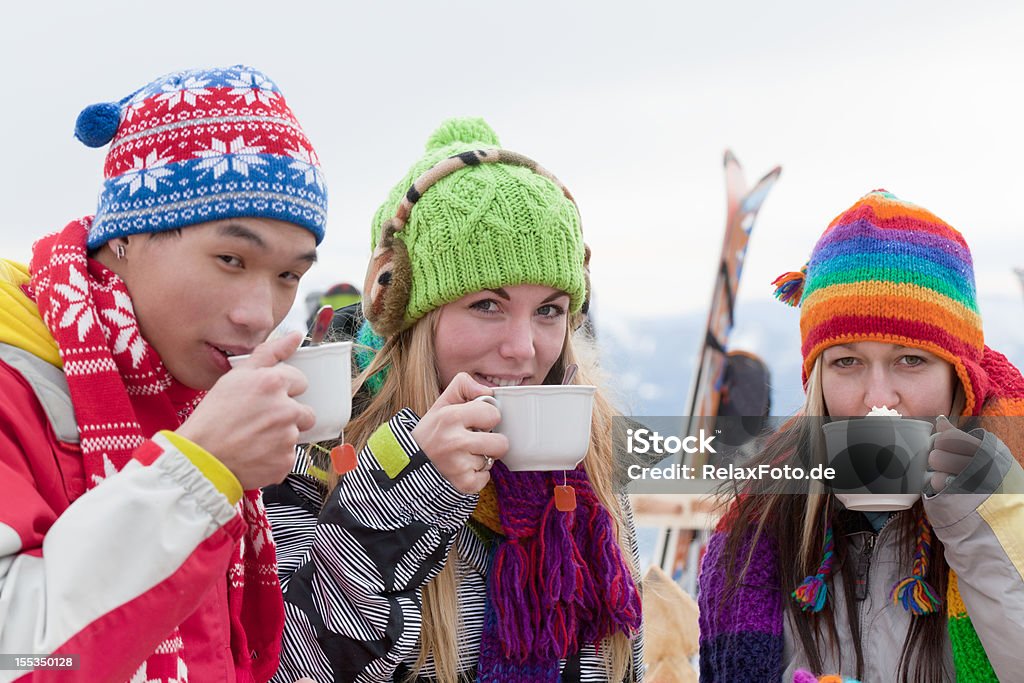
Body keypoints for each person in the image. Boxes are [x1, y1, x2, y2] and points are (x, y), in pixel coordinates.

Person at [267, 118, 643, 682]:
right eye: (487, 305)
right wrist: (411, 491)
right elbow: (296, 668)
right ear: (410, 319)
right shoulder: (312, 457)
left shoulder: (588, 473)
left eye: (550, 310)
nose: (524, 350)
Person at [0, 65, 329, 682]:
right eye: (231, 259)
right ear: (126, 237)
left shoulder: (183, 390)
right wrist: (196, 475)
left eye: (289, 276)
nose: (259, 315)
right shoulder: (15, 384)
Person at [697, 190, 1024, 682]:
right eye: (846, 362)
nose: (878, 398)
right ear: (817, 381)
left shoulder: (1009, 499)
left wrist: (985, 522)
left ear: (959, 375)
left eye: (910, 360)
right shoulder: (762, 525)